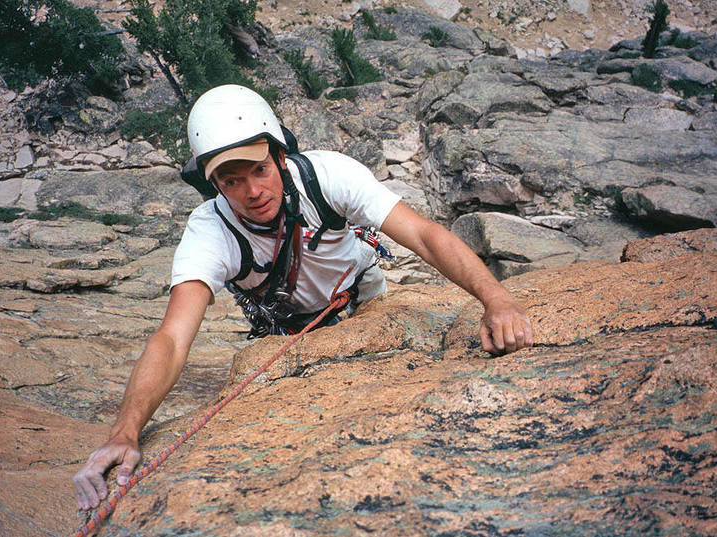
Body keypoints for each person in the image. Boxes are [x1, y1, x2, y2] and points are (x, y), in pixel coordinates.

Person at [73, 84, 533, 510]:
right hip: (286, 327)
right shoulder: (209, 232)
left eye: (259, 169)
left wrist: (497, 300)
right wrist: (125, 432)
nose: (253, 192)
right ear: (213, 185)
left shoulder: (328, 176)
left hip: (364, 297)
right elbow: (172, 339)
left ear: (279, 156)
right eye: (232, 181)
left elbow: (425, 236)